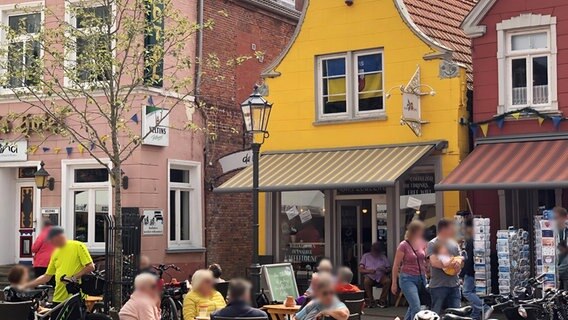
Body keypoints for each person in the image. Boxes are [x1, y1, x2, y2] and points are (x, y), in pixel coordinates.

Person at [24, 226, 95, 319]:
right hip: (58, 296)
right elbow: (47, 276)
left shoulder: (77, 246)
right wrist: (29, 284)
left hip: (74, 296)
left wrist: (73, 278)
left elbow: (90, 267)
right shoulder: (55, 252)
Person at [391, 220, 428, 320]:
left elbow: (426, 259)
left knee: (413, 306)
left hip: (421, 277)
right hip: (407, 278)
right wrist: (394, 283)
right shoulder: (403, 245)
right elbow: (396, 265)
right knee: (416, 307)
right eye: (419, 230)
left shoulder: (422, 243)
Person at [427, 219, 463, 315]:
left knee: (457, 314)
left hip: (454, 285)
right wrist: (448, 264)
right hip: (438, 286)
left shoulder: (454, 244)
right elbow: (434, 262)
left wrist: (458, 265)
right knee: (436, 313)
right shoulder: (433, 244)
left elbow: (459, 262)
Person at [461, 220, 492, 320]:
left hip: (470, 271)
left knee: (466, 292)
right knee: (475, 293)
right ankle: (475, 315)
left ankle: (485, 308)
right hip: (479, 271)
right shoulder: (479, 240)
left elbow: (469, 259)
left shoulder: (470, 241)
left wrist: (462, 273)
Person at [359, 242, 391, 308]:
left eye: (377, 251)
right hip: (370, 276)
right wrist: (368, 271)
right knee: (366, 281)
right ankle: (371, 301)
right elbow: (360, 269)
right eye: (374, 251)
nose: (376, 253)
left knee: (387, 281)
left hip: (381, 275)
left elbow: (389, 269)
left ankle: (382, 300)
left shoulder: (383, 257)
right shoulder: (366, 256)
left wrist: (384, 270)